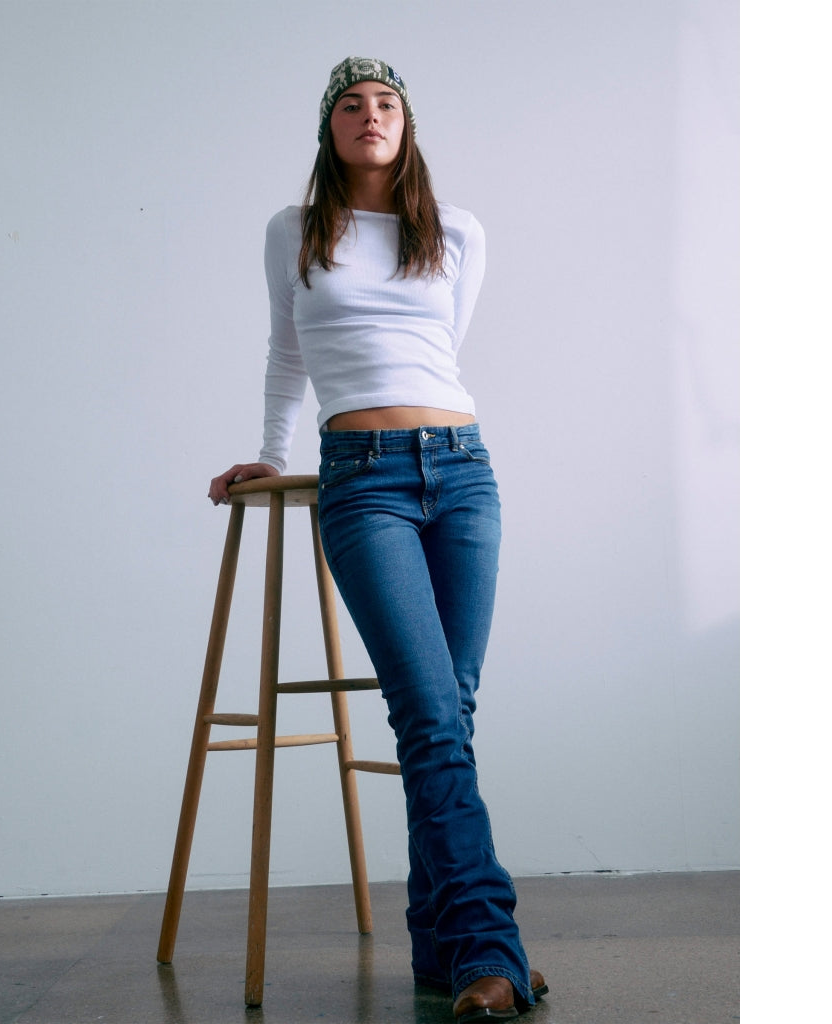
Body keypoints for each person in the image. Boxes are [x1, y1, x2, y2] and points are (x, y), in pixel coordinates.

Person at [208, 57, 547, 1023]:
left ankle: (440, 949)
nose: (370, 115)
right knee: (430, 716)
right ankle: (493, 951)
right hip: (362, 481)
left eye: (386, 104)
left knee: (450, 713)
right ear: (330, 127)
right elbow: (287, 351)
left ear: (407, 124)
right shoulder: (295, 231)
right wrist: (273, 454)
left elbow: (442, 350)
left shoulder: (457, 230)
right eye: (351, 105)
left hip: (464, 468)